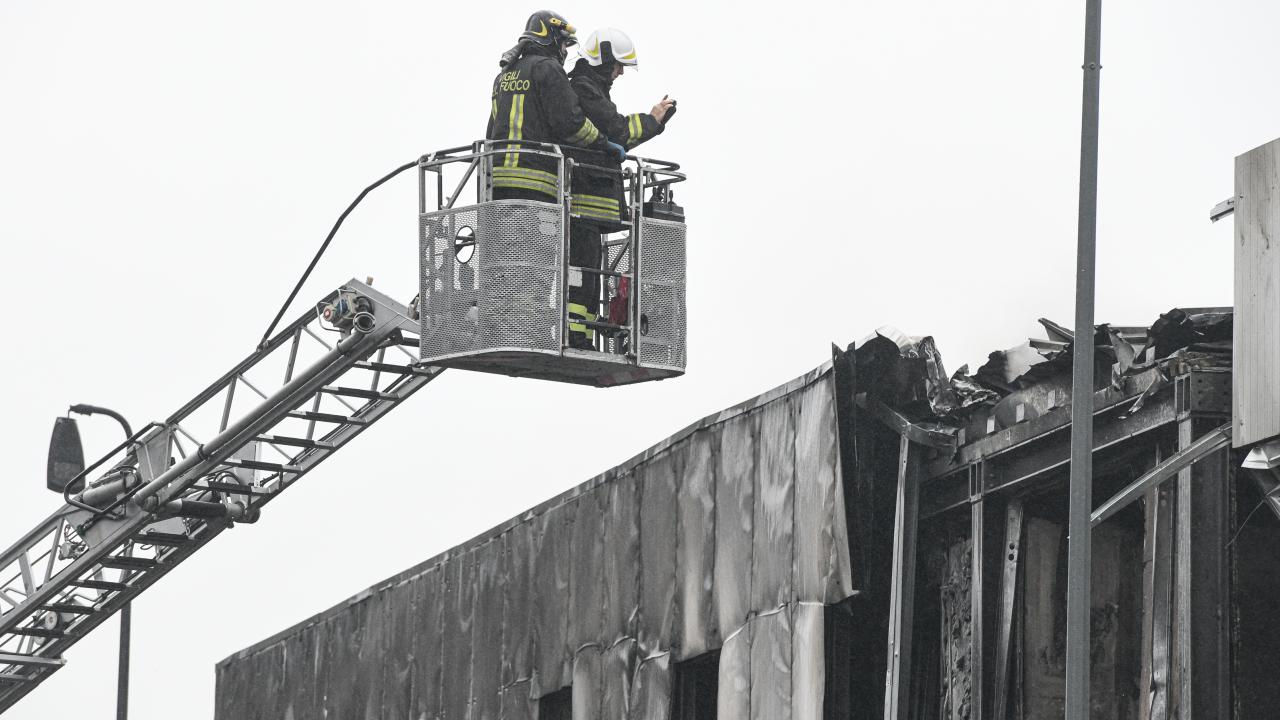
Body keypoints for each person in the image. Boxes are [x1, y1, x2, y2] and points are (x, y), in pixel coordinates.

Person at [486, 11, 624, 349]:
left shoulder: (504, 76)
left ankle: (507, 325)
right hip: (536, 183)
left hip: (498, 183)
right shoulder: (549, 70)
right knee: (538, 261)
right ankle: (529, 330)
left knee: (509, 259)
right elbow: (570, 124)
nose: (565, 51)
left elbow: (492, 128)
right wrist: (603, 143)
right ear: (550, 39)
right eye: (564, 44)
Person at [565, 28, 676, 348]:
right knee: (583, 275)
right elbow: (618, 131)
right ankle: (576, 335)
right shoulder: (584, 89)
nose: (621, 72)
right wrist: (653, 121)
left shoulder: (590, 88)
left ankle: (582, 335)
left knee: (588, 275)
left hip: (590, 203)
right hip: (585, 200)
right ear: (603, 60)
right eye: (618, 65)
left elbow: (614, 137)